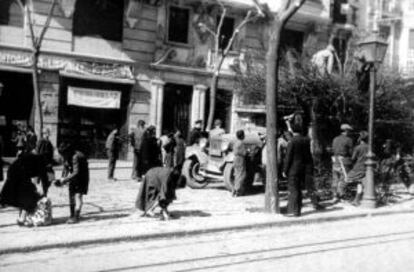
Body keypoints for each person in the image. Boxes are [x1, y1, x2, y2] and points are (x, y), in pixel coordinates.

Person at [0, 151, 49, 226]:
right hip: (19, 175)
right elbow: (44, 179)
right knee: (29, 196)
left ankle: (22, 218)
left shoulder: (35, 158)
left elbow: (36, 178)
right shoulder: (41, 162)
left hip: (15, 172)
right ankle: (22, 219)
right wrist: (44, 194)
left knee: (24, 196)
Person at [283, 122, 314, 217]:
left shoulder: (292, 141)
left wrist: (285, 170)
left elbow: (288, 157)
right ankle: (298, 210)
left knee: (294, 190)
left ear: (292, 130)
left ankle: (294, 211)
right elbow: (309, 156)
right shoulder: (306, 140)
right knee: (299, 190)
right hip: (304, 168)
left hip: (293, 169)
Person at [56, 143, 90, 224]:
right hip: (73, 177)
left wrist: (65, 180)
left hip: (82, 177)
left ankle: (76, 215)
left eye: (63, 154)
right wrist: (62, 178)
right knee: (71, 195)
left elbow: (76, 172)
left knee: (78, 195)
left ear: (67, 152)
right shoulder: (66, 156)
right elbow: (66, 167)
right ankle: (72, 215)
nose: (62, 156)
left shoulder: (76, 157)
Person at [331, 123, 354, 203]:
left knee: (335, 178)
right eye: (349, 131)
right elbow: (351, 152)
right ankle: (341, 195)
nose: (350, 133)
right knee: (344, 178)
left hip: (335, 160)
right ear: (346, 131)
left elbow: (333, 149)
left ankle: (334, 195)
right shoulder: (348, 140)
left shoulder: (335, 139)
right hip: (344, 161)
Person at [347, 131, 369, 206]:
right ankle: (356, 200)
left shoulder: (358, 147)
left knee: (347, 178)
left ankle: (342, 195)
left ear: (360, 138)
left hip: (358, 167)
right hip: (367, 168)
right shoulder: (369, 147)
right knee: (361, 184)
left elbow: (353, 158)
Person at [233, 130, 247, 197]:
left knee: (236, 175)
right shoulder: (241, 143)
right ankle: (237, 190)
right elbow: (244, 153)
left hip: (235, 159)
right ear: (242, 136)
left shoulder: (236, 142)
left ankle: (234, 190)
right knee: (241, 175)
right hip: (240, 159)